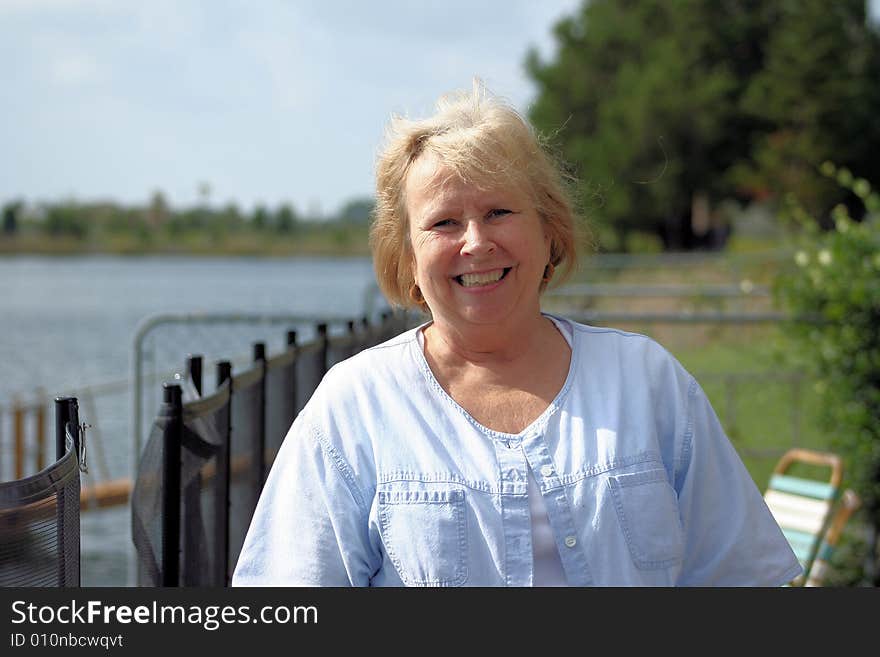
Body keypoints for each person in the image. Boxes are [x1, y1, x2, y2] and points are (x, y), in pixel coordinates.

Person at [232, 83, 802, 587]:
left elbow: (738, 576)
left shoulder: (647, 381)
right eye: (444, 222)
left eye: (500, 211)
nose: (476, 242)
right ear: (406, 256)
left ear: (550, 233)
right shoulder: (354, 404)